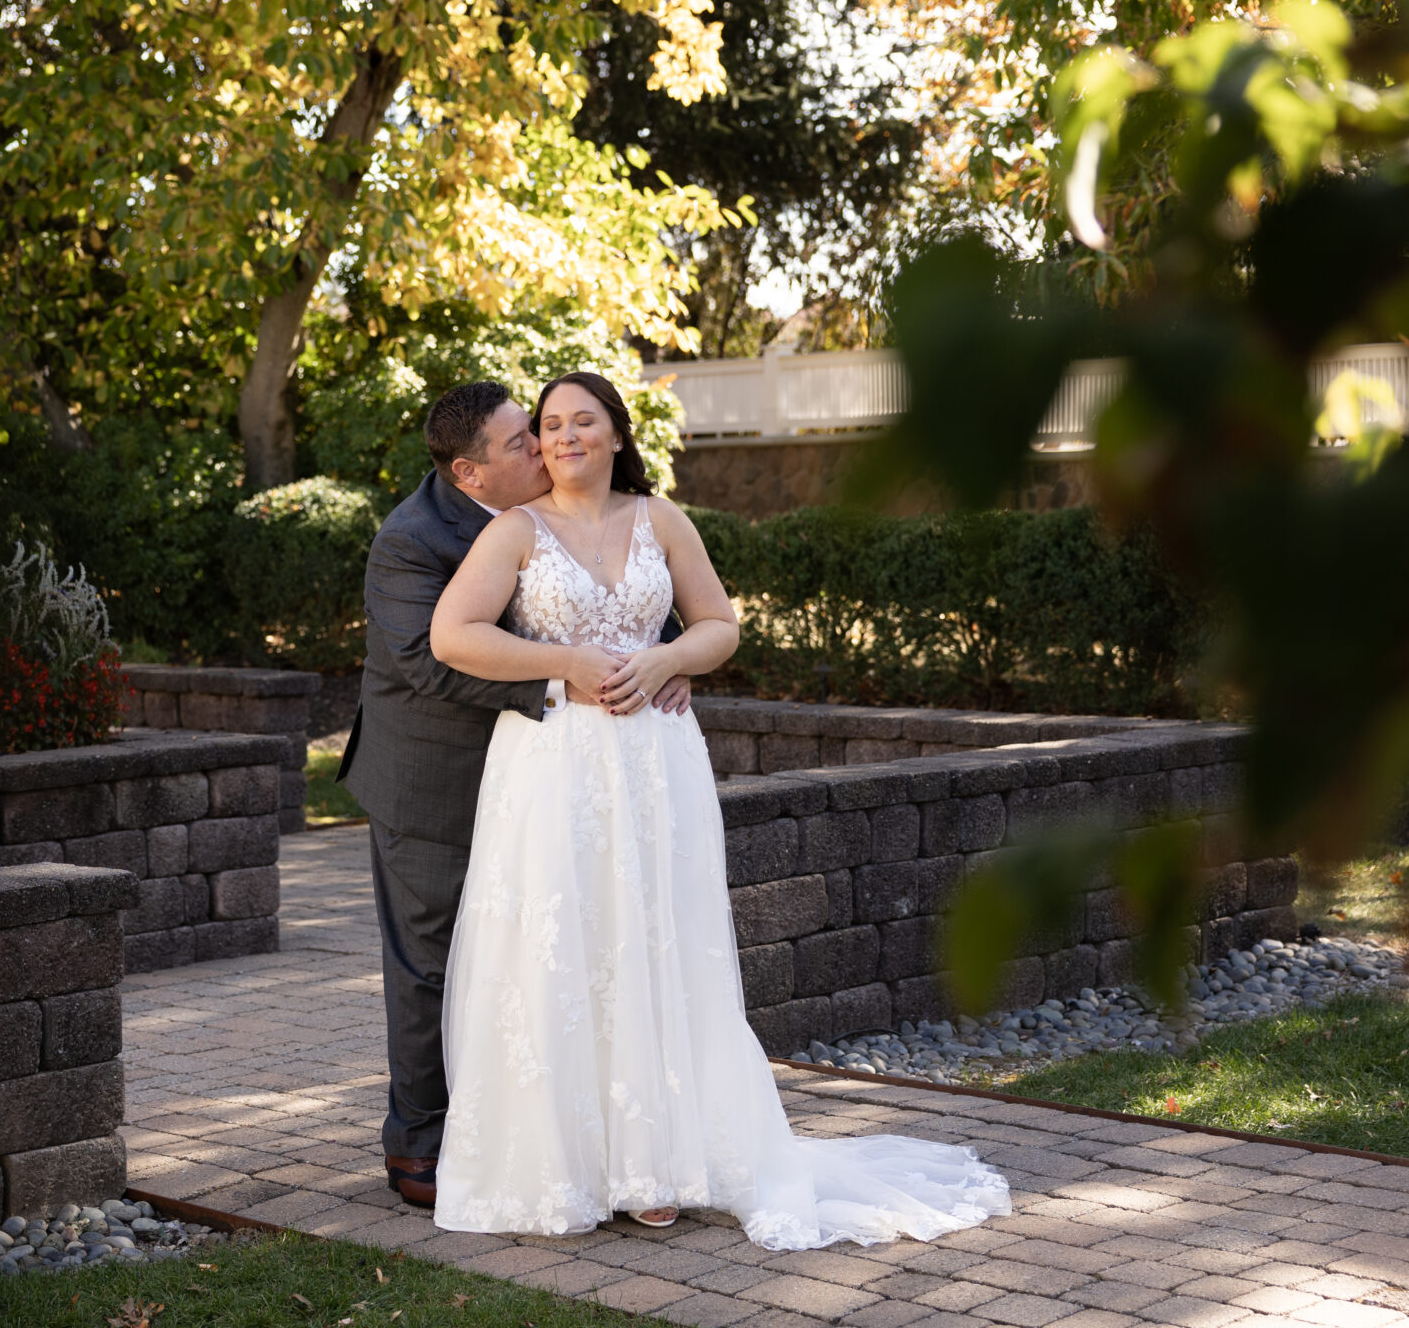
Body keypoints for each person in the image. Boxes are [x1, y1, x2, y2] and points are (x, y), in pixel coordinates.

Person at [425, 371, 1012, 1246]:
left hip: (657, 763)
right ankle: (567, 1164)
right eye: (549, 426)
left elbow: (719, 624)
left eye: (583, 420)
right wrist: (564, 663)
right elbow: (454, 634)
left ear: (618, 434)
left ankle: (658, 1163)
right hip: (557, 768)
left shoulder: (661, 521)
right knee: (570, 945)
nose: (564, 436)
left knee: (659, 945)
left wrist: (665, 662)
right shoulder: (515, 531)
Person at [339, 380, 692, 1210]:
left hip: (544, 778)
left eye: (537, 432)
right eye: (521, 443)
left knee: (543, 954)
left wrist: (665, 663)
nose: (542, 446)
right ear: (470, 473)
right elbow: (429, 662)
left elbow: (635, 601)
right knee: (431, 964)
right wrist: (566, 679)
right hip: (431, 781)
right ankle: (420, 1144)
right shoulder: (410, 541)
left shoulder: (567, 510)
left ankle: (535, 1129)